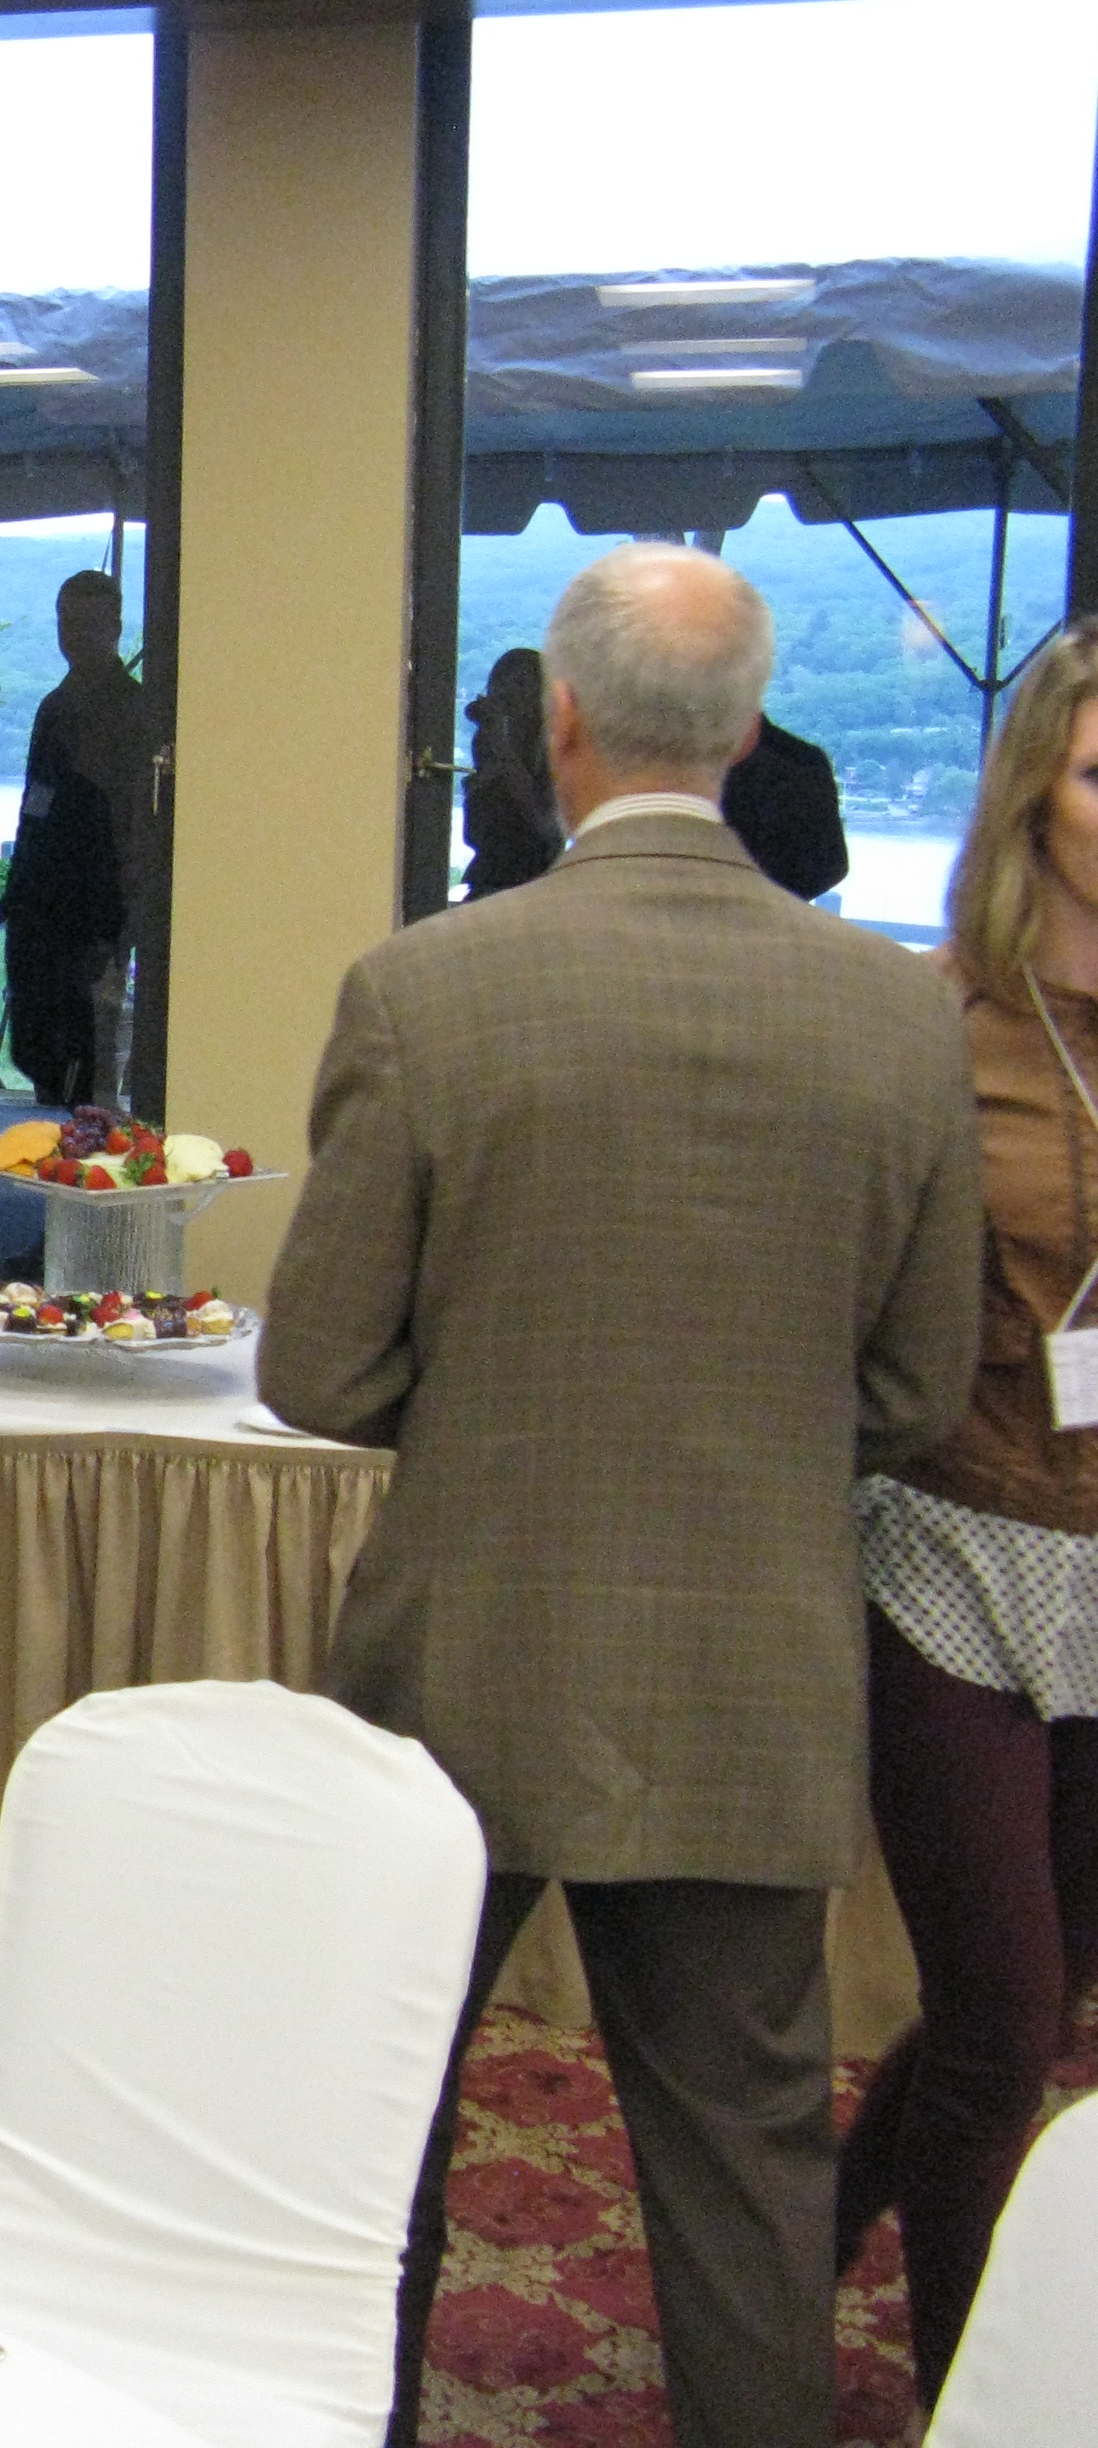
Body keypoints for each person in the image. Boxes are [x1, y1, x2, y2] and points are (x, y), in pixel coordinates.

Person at [260, 543, 985, 2448]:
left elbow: (315, 1371)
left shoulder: (423, 989)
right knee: (743, 2158)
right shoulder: (894, 1012)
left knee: (368, 2124)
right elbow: (913, 1390)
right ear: (743, 734)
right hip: (748, 1665)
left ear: (556, 721)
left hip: (464, 1656)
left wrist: (497, 1409)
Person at [832, 621, 1098, 2407]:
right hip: (948, 1547)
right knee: (1004, 2019)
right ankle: (960, 2394)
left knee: (1039, 2002)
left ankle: (819, 2213)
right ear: (1032, 799)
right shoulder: (933, 1024)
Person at [0, 571, 144, 1108]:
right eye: (66, 622)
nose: (74, 635)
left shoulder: (135, 712)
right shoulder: (54, 708)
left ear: (114, 628)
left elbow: (134, 816)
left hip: (100, 900)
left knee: (91, 1038)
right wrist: (18, 887)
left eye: (87, 623)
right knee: (40, 1034)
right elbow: (35, 805)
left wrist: (126, 905)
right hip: (44, 898)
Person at [457, 646, 559, 899]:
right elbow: (475, 830)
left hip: (538, 874)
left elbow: (542, 825)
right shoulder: (489, 739)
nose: (511, 695)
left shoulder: (552, 750)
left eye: (522, 686)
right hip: (492, 872)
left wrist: (502, 753)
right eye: (503, 686)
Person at [721, 714, 850, 902]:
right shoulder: (804, 760)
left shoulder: (801, 762)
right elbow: (830, 866)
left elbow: (829, 865)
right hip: (773, 908)